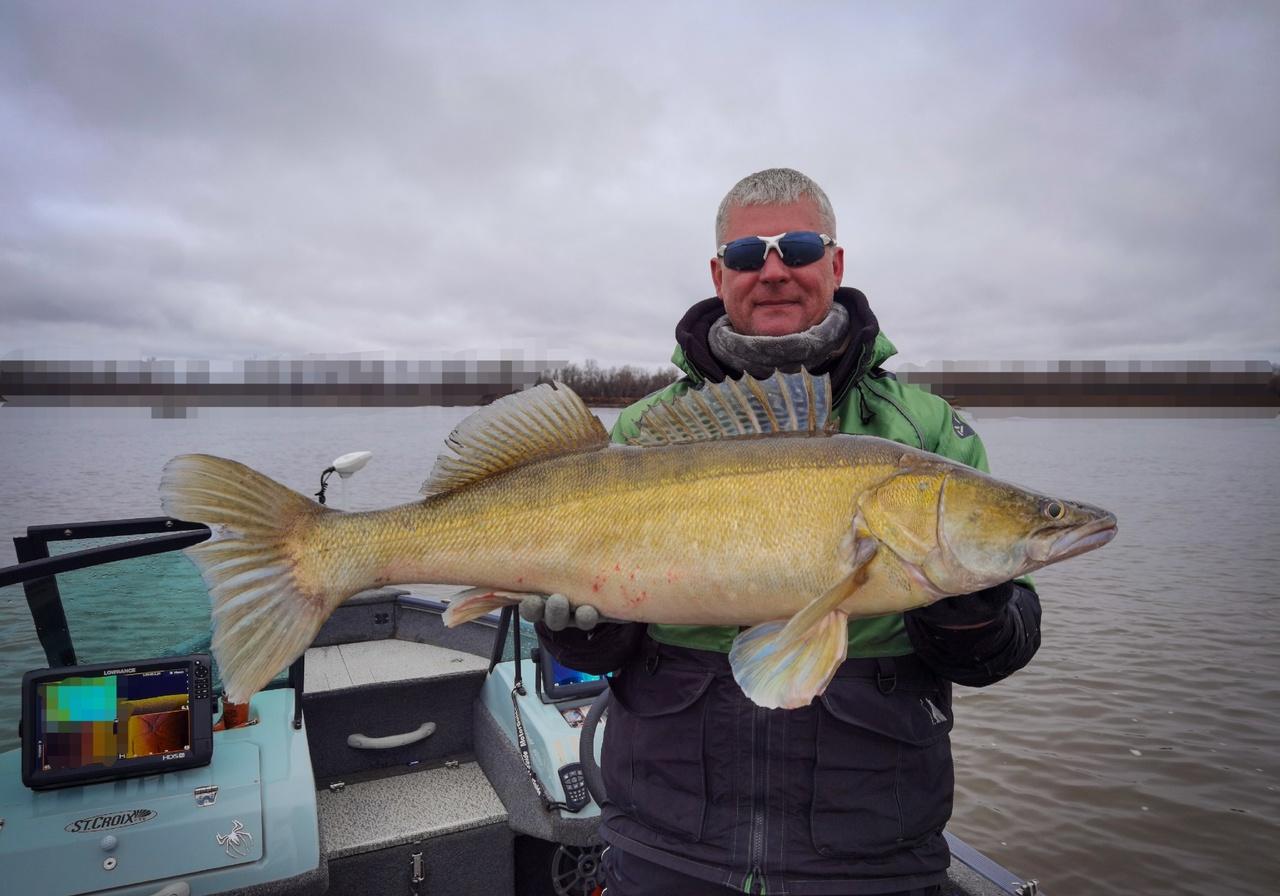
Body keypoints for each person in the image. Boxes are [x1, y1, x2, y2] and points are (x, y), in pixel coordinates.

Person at [528, 168, 1042, 895]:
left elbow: (1000, 650)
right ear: (718, 273)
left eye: (797, 247)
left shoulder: (926, 433)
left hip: (873, 854)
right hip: (667, 844)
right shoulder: (644, 431)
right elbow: (614, 645)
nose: (772, 270)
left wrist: (974, 618)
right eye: (746, 255)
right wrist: (580, 634)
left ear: (835, 262)